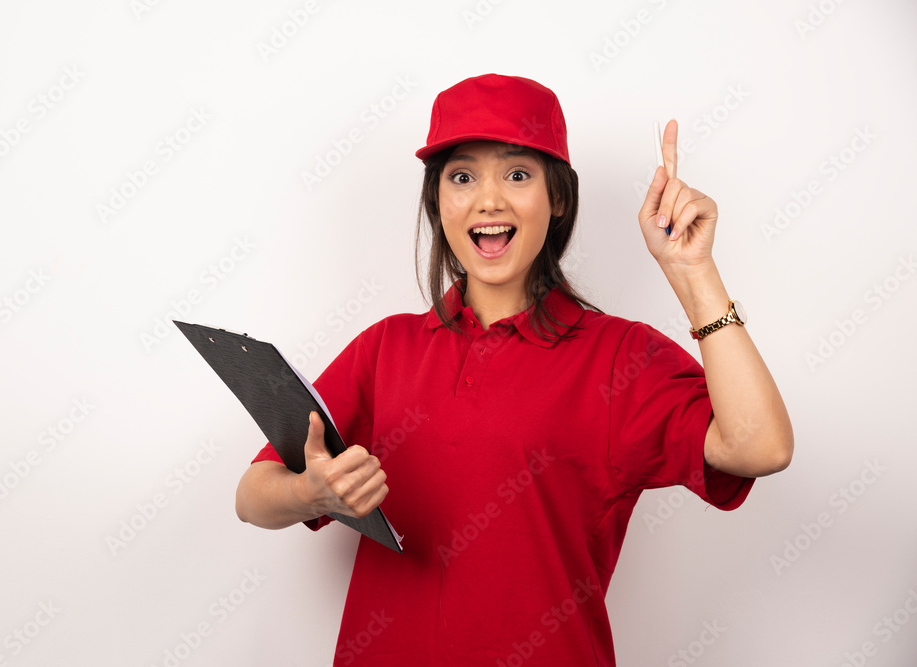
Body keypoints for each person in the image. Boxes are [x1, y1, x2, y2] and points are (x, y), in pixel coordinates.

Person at [235, 73, 793, 666]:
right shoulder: (386, 348)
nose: (489, 200)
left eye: (518, 174)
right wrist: (310, 492)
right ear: (438, 202)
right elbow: (252, 495)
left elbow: (759, 447)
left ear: (557, 199)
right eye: (462, 176)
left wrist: (693, 273)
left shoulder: (619, 356)